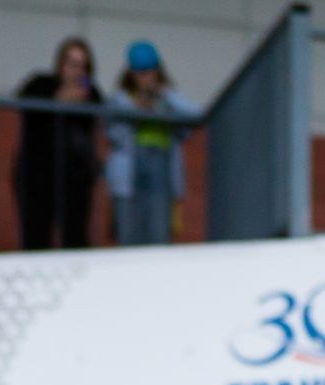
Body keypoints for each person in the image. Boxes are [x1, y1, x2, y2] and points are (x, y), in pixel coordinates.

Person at [11, 37, 101, 251]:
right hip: (37, 178)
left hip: (74, 181)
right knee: (36, 238)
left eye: (82, 65)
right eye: (72, 63)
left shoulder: (90, 95)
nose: (76, 71)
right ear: (60, 64)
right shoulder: (41, 84)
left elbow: (95, 116)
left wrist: (80, 103)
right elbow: (26, 103)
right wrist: (58, 101)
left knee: (75, 240)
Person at [106, 42, 200, 246]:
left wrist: (165, 96)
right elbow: (112, 132)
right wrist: (136, 108)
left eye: (150, 72)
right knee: (129, 238)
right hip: (129, 181)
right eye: (140, 73)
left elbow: (196, 115)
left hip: (161, 177)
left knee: (159, 238)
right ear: (131, 74)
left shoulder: (168, 98)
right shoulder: (121, 99)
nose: (146, 78)